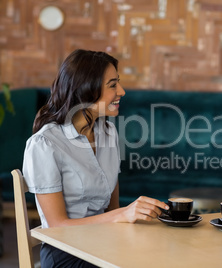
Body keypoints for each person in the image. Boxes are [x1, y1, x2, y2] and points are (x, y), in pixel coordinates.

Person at [22, 49, 169, 267]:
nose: (122, 91)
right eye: (112, 85)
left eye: (118, 82)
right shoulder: (45, 144)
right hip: (66, 252)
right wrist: (122, 214)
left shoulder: (109, 133)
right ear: (86, 90)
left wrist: (129, 217)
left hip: (105, 244)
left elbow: (112, 209)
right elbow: (57, 225)